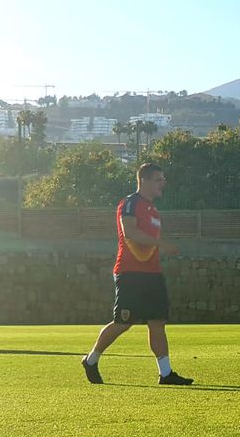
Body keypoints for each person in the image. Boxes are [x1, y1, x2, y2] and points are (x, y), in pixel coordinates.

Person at [81, 163, 192, 386]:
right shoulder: (130, 203)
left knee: (157, 322)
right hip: (130, 273)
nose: (163, 183)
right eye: (159, 179)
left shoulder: (153, 210)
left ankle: (166, 373)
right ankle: (91, 360)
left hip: (153, 273)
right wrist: (162, 243)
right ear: (145, 181)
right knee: (123, 323)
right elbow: (130, 233)